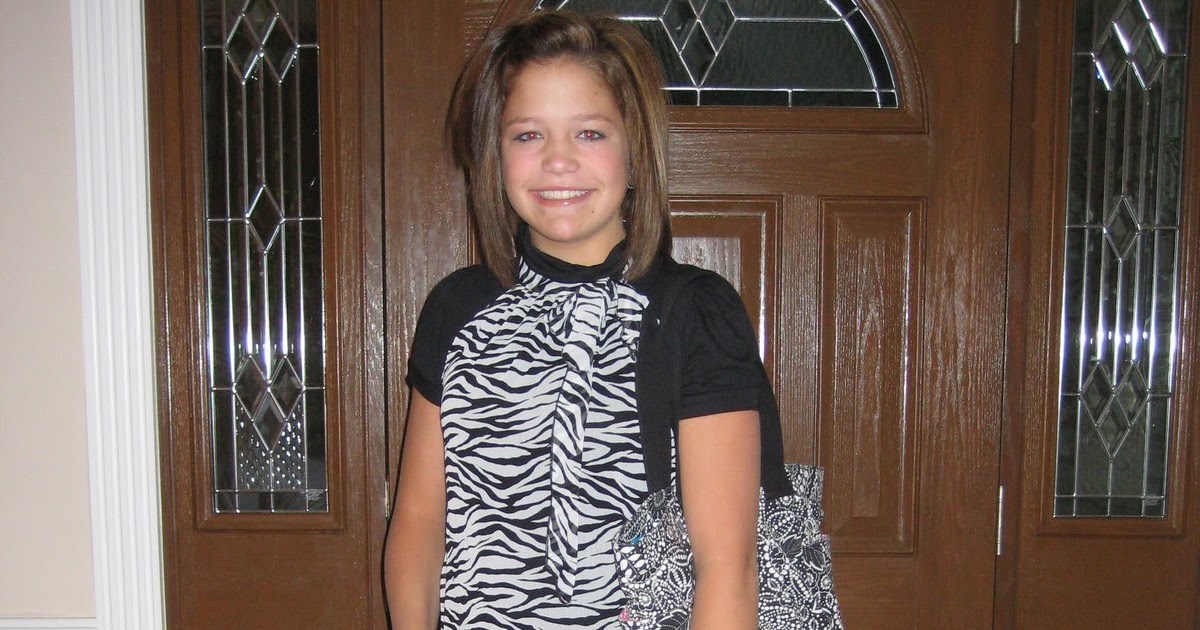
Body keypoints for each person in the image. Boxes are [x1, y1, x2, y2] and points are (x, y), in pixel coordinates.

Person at [384, 10, 770, 629]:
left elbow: (728, 570)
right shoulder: (457, 310)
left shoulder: (694, 314)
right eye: (528, 135)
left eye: (589, 133)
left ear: (634, 149)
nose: (558, 161)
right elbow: (419, 523)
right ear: (495, 152)